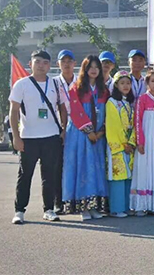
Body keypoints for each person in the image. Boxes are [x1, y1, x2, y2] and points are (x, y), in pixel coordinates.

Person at [9, 50, 68, 225]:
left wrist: (63, 130)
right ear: (30, 64)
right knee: (25, 175)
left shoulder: (56, 84)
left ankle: (48, 209)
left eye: (45, 62)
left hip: (51, 136)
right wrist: (16, 137)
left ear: (50, 66)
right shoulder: (21, 84)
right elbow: (13, 111)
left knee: (49, 175)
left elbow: (63, 108)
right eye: (38, 62)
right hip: (28, 137)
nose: (41, 65)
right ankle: (19, 211)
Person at [62, 55, 109, 221]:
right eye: (90, 67)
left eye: (97, 67)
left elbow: (108, 111)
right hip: (80, 134)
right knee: (82, 167)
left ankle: (94, 206)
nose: (94, 70)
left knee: (96, 168)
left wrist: (101, 131)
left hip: (98, 135)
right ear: (85, 69)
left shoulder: (104, 90)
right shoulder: (76, 87)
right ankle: (83, 207)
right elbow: (76, 111)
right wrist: (89, 131)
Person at [130, 70, 154, 216]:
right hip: (147, 140)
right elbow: (137, 120)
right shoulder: (143, 99)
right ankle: (141, 205)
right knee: (144, 168)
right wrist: (140, 141)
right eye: (153, 81)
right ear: (147, 83)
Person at [105, 70, 136, 218]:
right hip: (117, 145)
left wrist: (132, 142)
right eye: (122, 83)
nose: (125, 86)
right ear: (116, 85)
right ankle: (116, 208)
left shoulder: (129, 103)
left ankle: (126, 206)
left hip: (129, 144)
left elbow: (134, 124)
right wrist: (123, 143)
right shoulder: (112, 103)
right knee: (118, 176)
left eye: (128, 83)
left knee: (128, 176)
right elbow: (113, 125)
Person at [55, 49, 76, 213]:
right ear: (58, 64)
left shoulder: (81, 83)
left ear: (75, 64)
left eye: (69, 61)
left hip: (78, 127)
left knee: (76, 164)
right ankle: (58, 201)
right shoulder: (53, 83)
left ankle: (75, 200)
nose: (67, 64)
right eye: (63, 61)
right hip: (58, 128)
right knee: (58, 165)